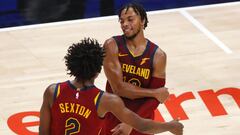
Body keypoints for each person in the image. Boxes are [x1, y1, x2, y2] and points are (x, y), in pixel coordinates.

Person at [39, 38, 183, 135]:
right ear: (98, 70)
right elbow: (142, 125)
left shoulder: (52, 91)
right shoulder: (105, 100)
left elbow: (43, 133)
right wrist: (170, 126)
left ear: (71, 64)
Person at [102, 2, 177, 135]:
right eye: (122, 21)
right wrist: (154, 92)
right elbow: (118, 88)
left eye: (130, 19)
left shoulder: (158, 56)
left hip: (142, 122)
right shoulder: (112, 45)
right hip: (114, 120)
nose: (124, 24)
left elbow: (154, 101)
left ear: (142, 21)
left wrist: (131, 124)